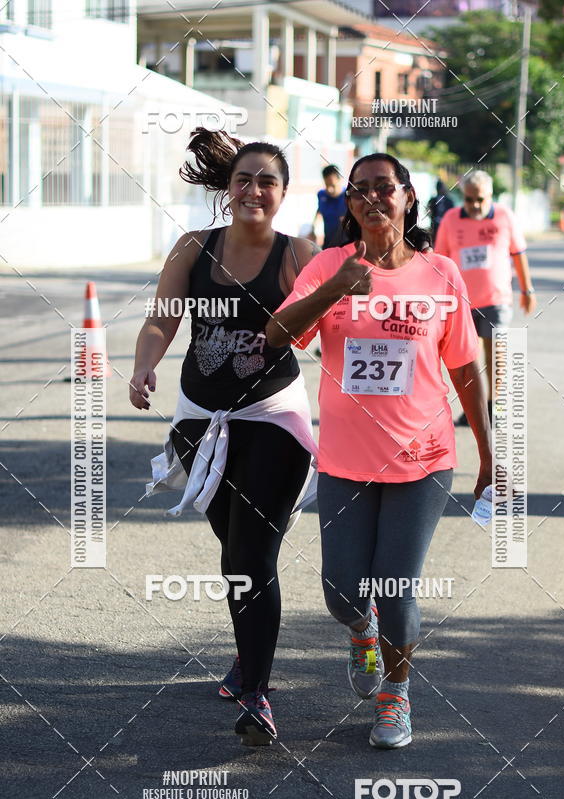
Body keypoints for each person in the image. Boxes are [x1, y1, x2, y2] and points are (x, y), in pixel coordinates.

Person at [267, 153, 491, 750]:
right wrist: (339, 286)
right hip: (345, 461)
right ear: (349, 205)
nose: (370, 199)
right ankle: (359, 632)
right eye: (359, 190)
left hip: (423, 460)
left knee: (396, 587)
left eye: (383, 188)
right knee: (343, 592)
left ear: (408, 198)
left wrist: (492, 454)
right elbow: (277, 335)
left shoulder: (441, 274)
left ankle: (396, 694)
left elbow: (466, 369)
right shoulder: (328, 266)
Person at [130, 129, 319, 746]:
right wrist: (143, 364)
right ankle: (249, 650)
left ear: (284, 193)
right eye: (245, 178)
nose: (254, 189)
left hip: (272, 420)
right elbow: (162, 319)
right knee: (234, 547)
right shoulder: (194, 247)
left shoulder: (297, 254)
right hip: (198, 423)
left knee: (254, 554)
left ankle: (258, 693)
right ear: (228, 188)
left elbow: (317, 332)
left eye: (268, 180)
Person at [434, 170, 536, 425]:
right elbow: (440, 262)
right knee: (467, 359)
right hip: (461, 302)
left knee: (497, 356)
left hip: (496, 298)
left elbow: (519, 253)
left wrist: (527, 289)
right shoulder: (450, 219)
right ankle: (474, 410)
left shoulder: (504, 216)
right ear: (463, 197)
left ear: (490, 196)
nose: (475, 205)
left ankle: (496, 409)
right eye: (469, 200)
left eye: (480, 199)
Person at [310, 165, 348, 249]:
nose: (330, 189)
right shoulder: (321, 195)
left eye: (333, 185)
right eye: (327, 185)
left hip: (346, 244)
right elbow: (319, 211)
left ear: (340, 180)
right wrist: (312, 229)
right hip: (328, 243)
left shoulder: (349, 197)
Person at [427, 178, 454, 245]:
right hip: (435, 225)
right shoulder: (432, 200)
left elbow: (452, 214)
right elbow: (428, 211)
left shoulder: (449, 201)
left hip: (445, 225)